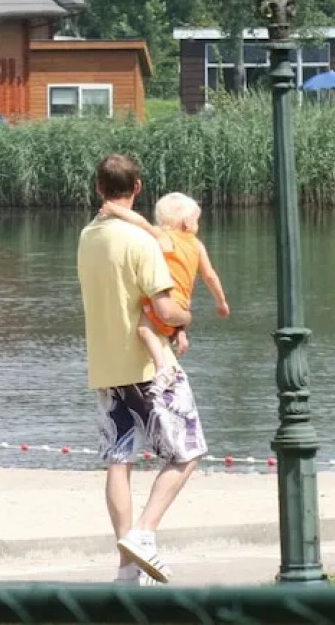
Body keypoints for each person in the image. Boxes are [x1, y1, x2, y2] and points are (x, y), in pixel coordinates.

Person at [77, 156, 205, 586]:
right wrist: (187, 319)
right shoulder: (141, 241)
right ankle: (145, 535)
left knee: (118, 459)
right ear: (138, 187)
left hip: (106, 364)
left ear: (98, 188)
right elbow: (165, 306)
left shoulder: (87, 236)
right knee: (187, 451)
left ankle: (127, 570)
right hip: (150, 367)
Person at [98, 193, 231, 377]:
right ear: (186, 222)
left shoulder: (165, 238)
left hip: (162, 300)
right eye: (197, 220)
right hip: (182, 304)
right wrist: (221, 302)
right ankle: (179, 334)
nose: (198, 225)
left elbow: (140, 222)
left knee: (144, 330)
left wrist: (115, 209)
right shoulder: (197, 246)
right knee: (169, 323)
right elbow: (210, 276)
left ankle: (161, 365)